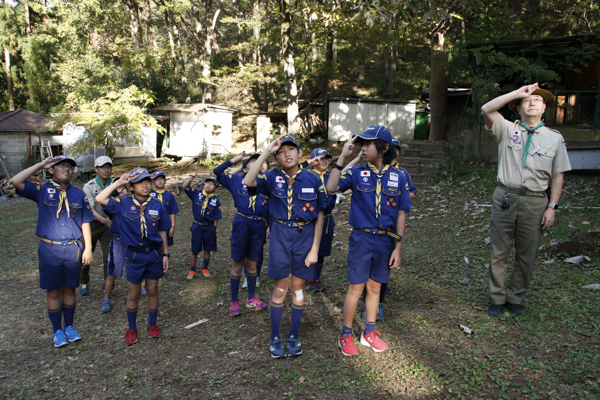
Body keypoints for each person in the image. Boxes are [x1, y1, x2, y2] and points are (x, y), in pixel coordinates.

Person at [481, 83, 571, 317]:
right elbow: (487, 108)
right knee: (499, 251)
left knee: (527, 253)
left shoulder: (554, 138)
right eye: (527, 100)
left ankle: (516, 297)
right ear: (518, 108)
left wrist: (552, 206)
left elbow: (558, 175)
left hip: (536, 201)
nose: (532, 102)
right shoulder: (507, 129)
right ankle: (497, 298)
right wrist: (518, 92)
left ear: (544, 109)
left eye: (537, 101)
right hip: (506, 197)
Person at [326, 126, 412, 356]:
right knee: (356, 287)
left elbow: (402, 212)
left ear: (384, 148)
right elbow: (331, 187)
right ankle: (345, 334)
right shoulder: (356, 173)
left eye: (368, 144)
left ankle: (369, 333)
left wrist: (398, 248)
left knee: (375, 287)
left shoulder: (399, 176)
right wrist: (343, 157)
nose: (364, 148)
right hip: (361, 238)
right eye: (362, 143)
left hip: (385, 241)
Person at [244, 135, 325, 358]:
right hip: (280, 234)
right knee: (280, 288)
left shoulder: (313, 178)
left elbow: (320, 215)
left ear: (301, 154)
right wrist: (267, 151)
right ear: (276, 157)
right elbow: (249, 182)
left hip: (305, 236)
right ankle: (274, 337)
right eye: (281, 151)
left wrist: (315, 248)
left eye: (291, 149)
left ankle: (293, 334)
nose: (286, 154)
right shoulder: (271, 176)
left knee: (298, 287)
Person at [12, 155, 94, 347]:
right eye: (62, 166)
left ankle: (70, 327)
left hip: (73, 248)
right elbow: (16, 181)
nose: (67, 169)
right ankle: (57, 330)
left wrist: (88, 247)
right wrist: (40, 164)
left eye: (70, 167)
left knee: (70, 289)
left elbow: (85, 222)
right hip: (50, 248)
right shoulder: (42, 189)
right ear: (51, 169)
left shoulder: (79, 194)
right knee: (53, 290)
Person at [95, 168, 171, 345]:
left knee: (152, 290)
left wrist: (165, 253)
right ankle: (131, 328)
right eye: (140, 182)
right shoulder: (122, 202)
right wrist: (119, 182)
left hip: (153, 254)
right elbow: (100, 199)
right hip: (133, 255)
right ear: (131, 186)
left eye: (147, 181)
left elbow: (162, 230)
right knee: (134, 293)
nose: (145, 185)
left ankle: (152, 325)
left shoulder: (156, 204)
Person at [361, 137, 418, 320]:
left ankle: (379, 303)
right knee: (366, 267)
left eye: (396, 149)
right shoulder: (368, 172)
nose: (393, 152)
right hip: (369, 228)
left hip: (391, 226)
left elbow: (412, 193)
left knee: (384, 265)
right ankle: (367, 303)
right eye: (390, 148)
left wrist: (396, 198)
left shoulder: (401, 174)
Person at [213, 152, 269, 316]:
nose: (259, 163)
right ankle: (234, 301)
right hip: (241, 223)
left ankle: (251, 298)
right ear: (245, 169)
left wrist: (269, 226)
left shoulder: (266, 183)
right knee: (237, 264)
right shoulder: (236, 180)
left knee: (252, 265)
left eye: (261, 161)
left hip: (258, 225)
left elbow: (271, 208)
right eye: (253, 161)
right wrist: (235, 161)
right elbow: (217, 171)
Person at [81, 156, 115, 296]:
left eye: (108, 167)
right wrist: (102, 220)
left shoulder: (116, 184)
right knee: (86, 253)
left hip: (110, 224)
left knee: (109, 256)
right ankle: (83, 281)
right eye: (103, 167)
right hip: (93, 224)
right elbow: (90, 208)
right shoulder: (89, 186)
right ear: (96, 169)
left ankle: (108, 285)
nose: (106, 170)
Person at [304, 148, 336, 293]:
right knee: (309, 247)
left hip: (327, 219)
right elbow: (292, 170)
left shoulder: (331, 176)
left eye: (327, 158)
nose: (324, 161)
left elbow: (346, 171)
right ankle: (307, 278)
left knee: (322, 249)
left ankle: (316, 278)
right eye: (320, 158)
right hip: (311, 219)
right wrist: (308, 163)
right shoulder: (307, 175)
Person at [182, 175, 221, 279]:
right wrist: (190, 179)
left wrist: (214, 229)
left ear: (216, 189)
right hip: (197, 226)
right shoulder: (196, 193)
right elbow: (185, 187)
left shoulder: (216, 200)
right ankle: (192, 270)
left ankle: (205, 268)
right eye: (207, 182)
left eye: (212, 184)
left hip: (208, 227)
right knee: (195, 249)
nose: (208, 185)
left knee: (207, 249)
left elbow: (216, 216)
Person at [101, 184, 128, 314]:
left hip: (132, 242)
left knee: (136, 268)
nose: (122, 191)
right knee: (112, 273)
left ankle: (140, 290)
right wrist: (114, 188)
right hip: (118, 242)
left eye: (124, 188)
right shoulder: (114, 205)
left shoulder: (133, 203)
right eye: (119, 189)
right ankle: (106, 299)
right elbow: (101, 198)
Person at [150, 171, 179, 251]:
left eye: (162, 179)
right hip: (152, 223)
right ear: (153, 182)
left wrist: (172, 226)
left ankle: (164, 261)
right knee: (153, 246)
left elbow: (173, 212)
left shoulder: (169, 195)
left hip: (165, 224)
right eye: (157, 179)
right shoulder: (149, 194)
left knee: (164, 246)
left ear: (165, 181)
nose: (160, 181)